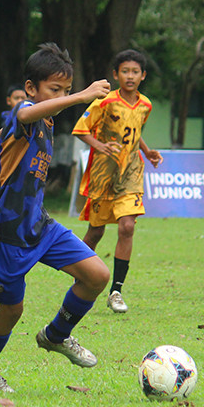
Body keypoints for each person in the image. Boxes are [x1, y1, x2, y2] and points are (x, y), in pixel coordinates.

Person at [0, 42, 113, 393]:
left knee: (96, 275)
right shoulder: (22, 115)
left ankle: (57, 335)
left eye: (64, 89)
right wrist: (79, 97)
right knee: (11, 311)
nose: (61, 95)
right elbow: (23, 114)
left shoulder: (46, 123)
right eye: (54, 89)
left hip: (39, 225)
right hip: (6, 232)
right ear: (31, 89)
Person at [72, 49, 163, 313]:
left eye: (135, 72)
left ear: (143, 76)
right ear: (116, 74)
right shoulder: (105, 101)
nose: (130, 76)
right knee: (96, 231)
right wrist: (99, 146)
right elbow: (80, 129)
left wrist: (146, 151)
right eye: (125, 71)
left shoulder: (145, 105)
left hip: (131, 172)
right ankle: (80, 274)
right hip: (103, 174)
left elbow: (134, 132)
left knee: (127, 226)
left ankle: (116, 291)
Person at [0, 84, 27, 152]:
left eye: (23, 98)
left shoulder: (30, 117)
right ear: (8, 100)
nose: (19, 101)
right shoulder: (4, 116)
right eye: (16, 98)